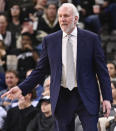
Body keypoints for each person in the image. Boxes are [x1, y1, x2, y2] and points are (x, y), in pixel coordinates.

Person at [1, 3, 112, 131]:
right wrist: (21, 88)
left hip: (86, 95)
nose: (62, 19)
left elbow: (102, 71)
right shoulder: (50, 40)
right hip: (62, 96)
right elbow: (40, 71)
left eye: (66, 16)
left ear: (76, 18)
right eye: (60, 16)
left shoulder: (91, 39)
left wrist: (107, 98)